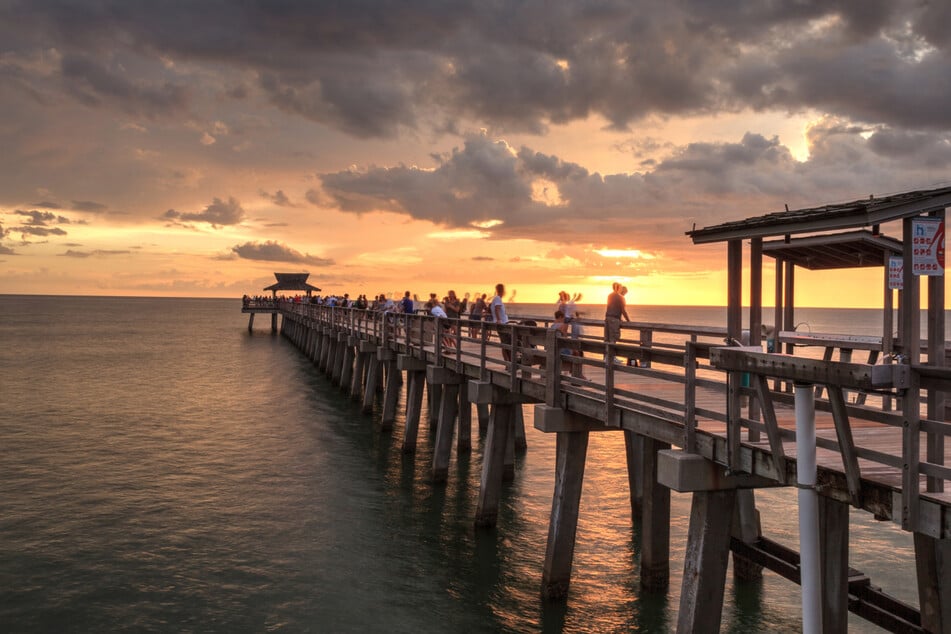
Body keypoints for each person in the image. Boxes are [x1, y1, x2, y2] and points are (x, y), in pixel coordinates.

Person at [604, 282, 629, 363]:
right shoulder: (620, 297)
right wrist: (628, 321)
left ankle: (606, 357)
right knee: (613, 338)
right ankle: (612, 358)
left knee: (607, 339)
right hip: (614, 319)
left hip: (607, 318)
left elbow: (610, 307)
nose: (624, 293)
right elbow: (623, 310)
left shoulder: (609, 295)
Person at [490, 283, 511, 361]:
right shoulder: (498, 298)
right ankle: (508, 362)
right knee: (506, 344)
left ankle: (507, 362)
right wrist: (499, 320)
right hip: (502, 324)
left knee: (505, 343)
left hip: (502, 323)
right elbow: (497, 309)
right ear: (502, 290)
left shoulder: (496, 298)